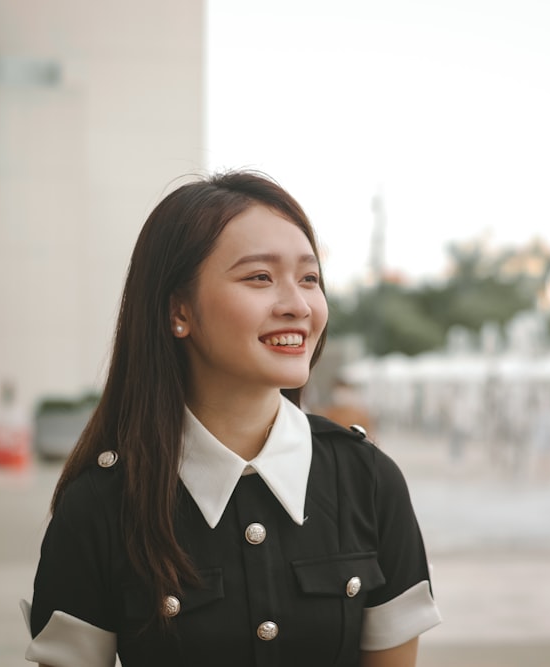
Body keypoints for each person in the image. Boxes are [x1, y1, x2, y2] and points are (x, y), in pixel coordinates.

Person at [23, 170, 441, 667]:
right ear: (179, 310)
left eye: (309, 278)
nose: (298, 305)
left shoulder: (368, 481)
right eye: (260, 277)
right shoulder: (102, 504)